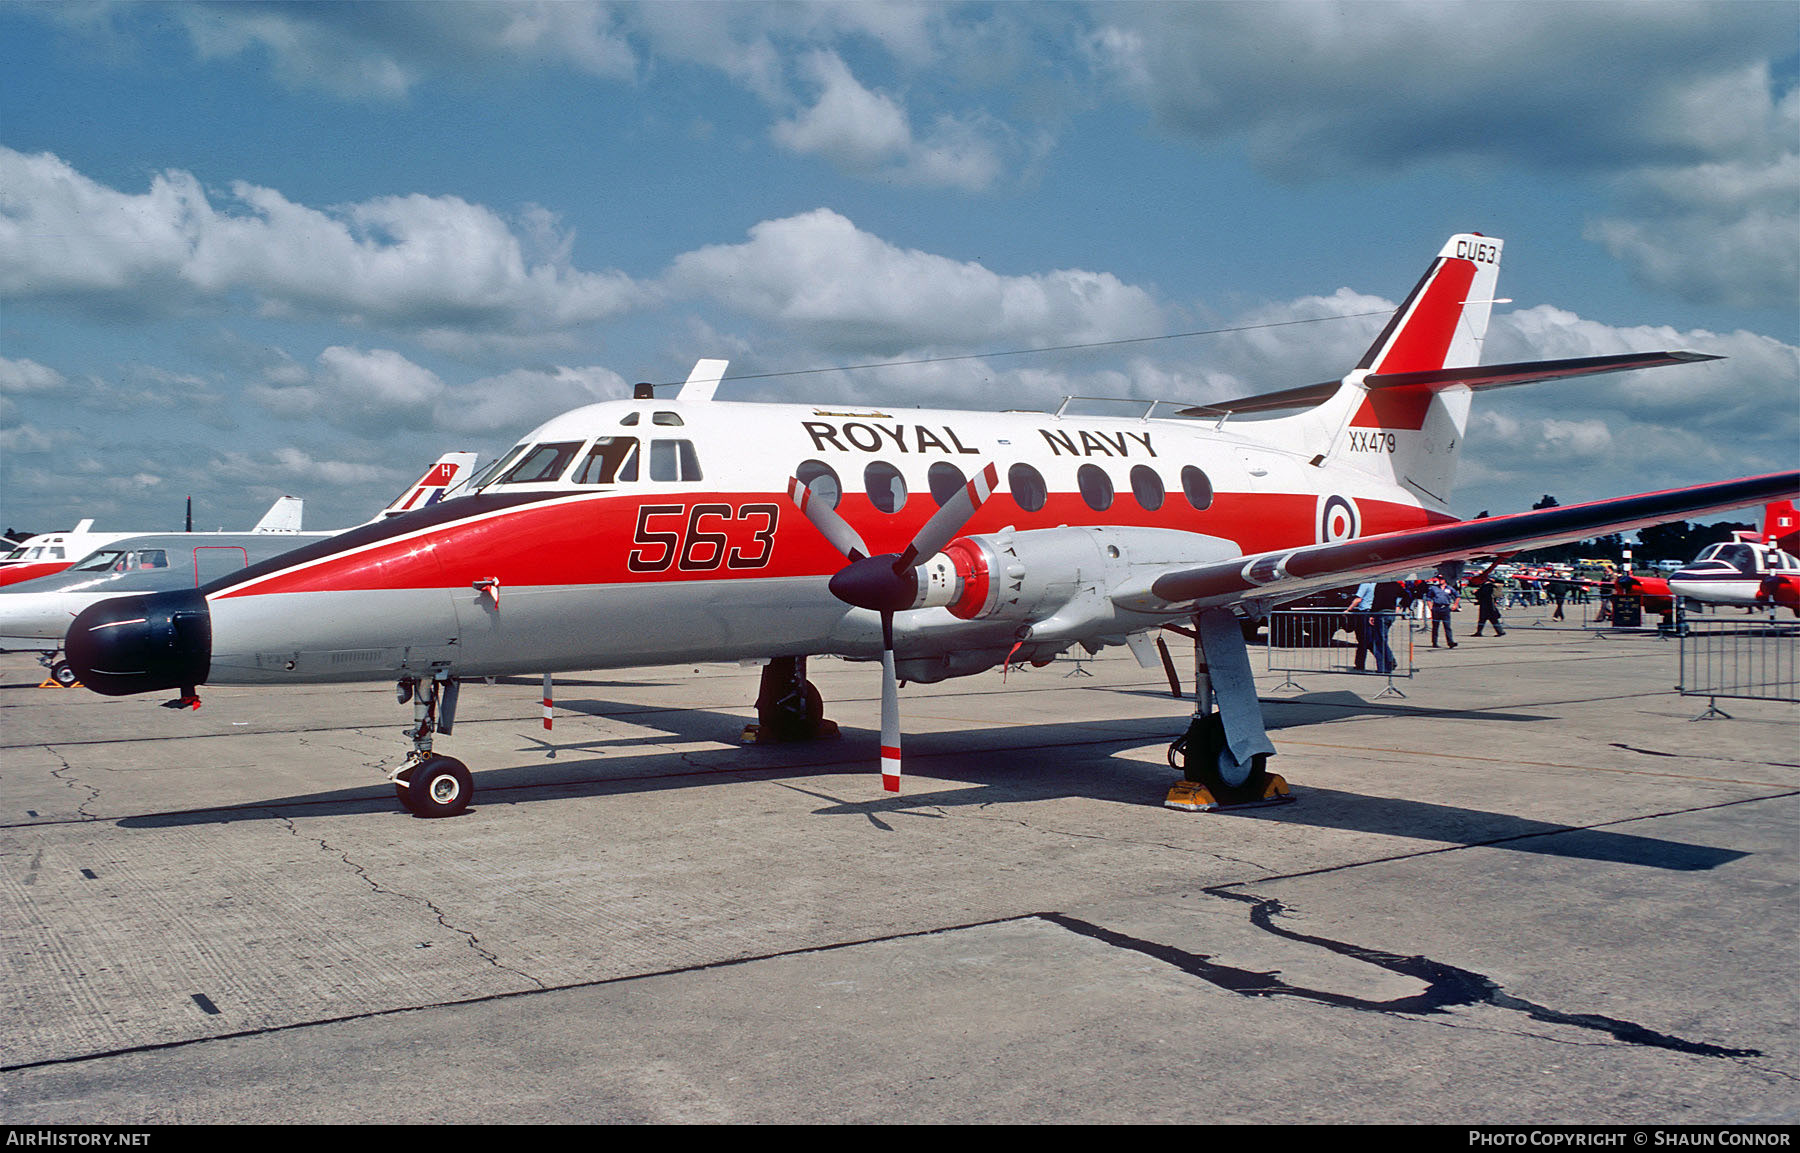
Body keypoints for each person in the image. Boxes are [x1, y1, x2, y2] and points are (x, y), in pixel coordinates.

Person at [1425, 578, 1459, 647]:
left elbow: (1457, 596)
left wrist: (1455, 605)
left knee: (1447, 626)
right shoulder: (1434, 588)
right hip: (1436, 608)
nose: (1440, 581)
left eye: (1442, 579)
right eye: (1439, 579)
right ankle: (1434, 642)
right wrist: (1430, 607)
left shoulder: (1449, 588)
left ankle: (1450, 642)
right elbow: (1428, 598)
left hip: (1445, 608)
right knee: (1435, 626)